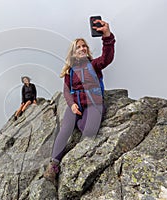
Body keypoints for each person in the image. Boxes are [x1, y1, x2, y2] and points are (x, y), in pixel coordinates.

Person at [43, 19, 115, 183]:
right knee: (65, 129)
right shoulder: (69, 71)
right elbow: (66, 91)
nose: (83, 48)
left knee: (89, 131)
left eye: (85, 46)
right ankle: (54, 165)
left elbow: (107, 57)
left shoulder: (94, 64)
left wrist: (107, 36)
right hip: (76, 104)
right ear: (73, 52)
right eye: (79, 47)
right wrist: (72, 105)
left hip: (94, 103)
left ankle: (80, 123)